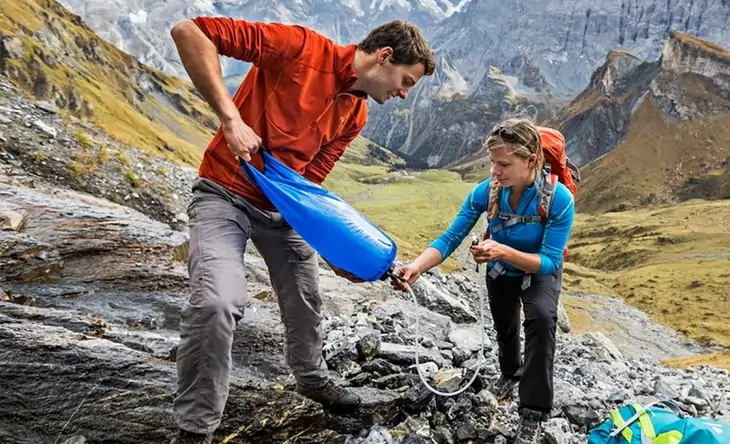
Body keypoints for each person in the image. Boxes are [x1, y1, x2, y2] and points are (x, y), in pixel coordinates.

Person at [168, 16, 435, 444]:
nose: (403, 94)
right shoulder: (300, 48)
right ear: (384, 57)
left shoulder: (356, 113)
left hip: (282, 211)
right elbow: (190, 32)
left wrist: (340, 254)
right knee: (217, 302)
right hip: (223, 192)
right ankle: (195, 431)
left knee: (307, 296)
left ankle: (312, 380)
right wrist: (230, 119)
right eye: (406, 81)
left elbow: (311, 188)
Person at [392, 117, 575, 444]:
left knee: (542, 319)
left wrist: (503, 251)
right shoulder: (487, 191)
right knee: (505, 324)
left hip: (537, 268)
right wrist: (417, 266)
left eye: (504, 163)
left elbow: (548, 262)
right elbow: (451, 237)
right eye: (492, 162)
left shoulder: (559, 199)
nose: (495, 171)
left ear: (531, 160)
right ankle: (509, 373)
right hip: (500, 267)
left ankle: (533, 410)